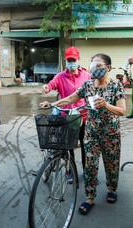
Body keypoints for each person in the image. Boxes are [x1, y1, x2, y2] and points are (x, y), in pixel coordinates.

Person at [40, 53, 126, 215]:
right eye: (92, 65)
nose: (94, 69)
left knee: (111, 164)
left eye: (98, 66)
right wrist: (52, 103)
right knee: (91, 165)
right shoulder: (88, 85)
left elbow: (122, 110)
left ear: (108, 68)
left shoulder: (116, 86)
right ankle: (90, 197)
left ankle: (112, 189)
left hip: (111, 133)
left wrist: (106, 105)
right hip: (91, 132)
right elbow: (71, 99)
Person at [42, 46, 91, 180]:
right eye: (69, 60)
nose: (71, 62)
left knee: (85, 146)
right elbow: (51, 84)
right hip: (67, 117)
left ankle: (87, 172)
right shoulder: (61, 76)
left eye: (73, 59)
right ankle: (70, 171)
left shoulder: (87, 75)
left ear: (78, 59)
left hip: (83, 116)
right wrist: (47, 87)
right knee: (69, 147)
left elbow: (94, 89)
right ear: (65, 61)